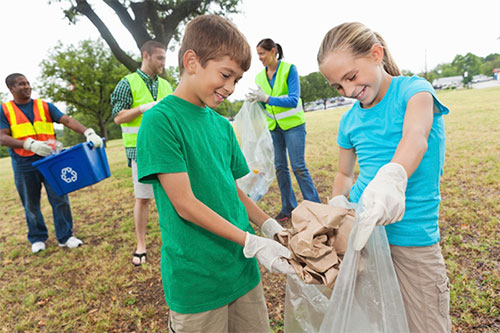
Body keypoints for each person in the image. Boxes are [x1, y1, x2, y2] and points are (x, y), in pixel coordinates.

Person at [136, 15, 293, 332]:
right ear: (192, 61)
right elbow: (185, 204)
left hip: (241, 272)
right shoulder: (161, 121)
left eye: (237, 80)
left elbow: (232, 191)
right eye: (225, 75)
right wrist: (252, 242)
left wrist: (268, 226)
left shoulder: (222, 125)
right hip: (198, 281)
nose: (231, 88)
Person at [317, 22, 451, 332]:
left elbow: (416, 137)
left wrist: (392, 178)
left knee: (426, 323)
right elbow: (343, 173)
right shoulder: (349, 120)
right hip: (362, 240)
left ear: (376, 54)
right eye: (338, 86)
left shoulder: (414, 91)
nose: (349, 91)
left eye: (351, 77)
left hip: (411, 241)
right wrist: (339, 206)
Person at [0, 73, 103, 253]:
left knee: (60, 198)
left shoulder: (44, 106)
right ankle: (38, 238)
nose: (27, 86)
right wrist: (28, 143)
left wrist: (88, 131)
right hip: (24, 162)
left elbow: (67, 120)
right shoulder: (5, 110)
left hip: (51, 160)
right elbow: (2, 137)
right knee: (31, 203)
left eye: (28, 83)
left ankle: (66, 236)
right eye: (21, 84)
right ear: (11, 89)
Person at [111, 40, 173, 266]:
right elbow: (118, 117)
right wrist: (142, 108)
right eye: (160, 58)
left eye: (165, 58)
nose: (163, 63)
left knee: (171, 197)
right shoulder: (126, 83)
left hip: (166, 149)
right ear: (145, 55)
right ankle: (141, 245)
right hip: (140, 151)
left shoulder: (166, 85)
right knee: (143, 199)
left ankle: (173, 240)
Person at [246, 38, 320, 223]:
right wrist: (257, 101)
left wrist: (268, 98)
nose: (260, 58)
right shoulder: (259, 77)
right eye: (258, 55)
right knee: (280, 168)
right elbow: (265, 105)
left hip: (293, 125)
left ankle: (315, 208)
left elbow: (293, 99)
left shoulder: (289, 69)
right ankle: (288, 208)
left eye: (262, 53)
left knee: (298, 167)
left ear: (273, 52)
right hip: (275, 128)